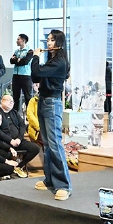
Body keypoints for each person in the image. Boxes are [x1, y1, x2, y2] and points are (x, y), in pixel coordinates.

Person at [31, 28, 71, 201]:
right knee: (47, 144)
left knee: (55, 144)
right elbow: (36, 78)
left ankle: (64, 185)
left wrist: (35, 57)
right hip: (44, 101)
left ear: (59, 43)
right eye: (48, 39)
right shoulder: (52, 60)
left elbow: (36, 73)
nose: (48, 43)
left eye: (52, 40)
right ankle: (50, 180)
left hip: (52, 103)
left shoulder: (60, 62)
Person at [0, 93, 39, 175]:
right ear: (2, 101)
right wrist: (10, 140)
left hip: (18, 141)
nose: (11, 103)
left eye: (12, 101)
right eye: (9, 100)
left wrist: (19, 138)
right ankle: (8, 168)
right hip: (4, 143)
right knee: (3, 153)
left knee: (35, 148)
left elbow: (22, 125)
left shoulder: (14, 112)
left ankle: (19, 166)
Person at [10, 33, 35, 113]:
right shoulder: (16, 51)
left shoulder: (29, 51)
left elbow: (25, 62)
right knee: (15, 97)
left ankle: (29, 115)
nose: (17, 41)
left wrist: (17, 60)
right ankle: (15, 114)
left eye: (18, 39)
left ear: (23, 40)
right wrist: (18, 60)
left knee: (28, 97)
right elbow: (11, 61)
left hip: (26, 76)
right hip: (16, 76)